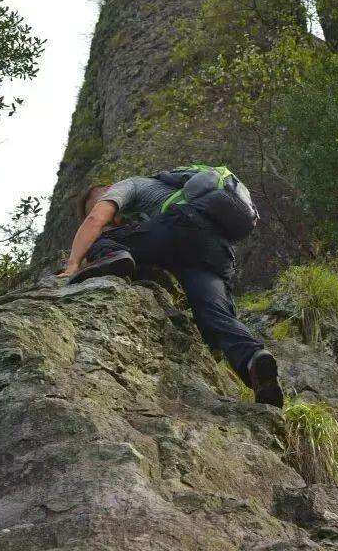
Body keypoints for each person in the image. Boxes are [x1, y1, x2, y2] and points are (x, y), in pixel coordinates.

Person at [58, 175, 283, 408]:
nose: (110, 219)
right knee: (216, 316)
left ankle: (112, 253)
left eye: (99, 201)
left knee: (97, 240)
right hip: (214, 249)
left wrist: (74, 264)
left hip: (181, 225)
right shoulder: (154, 204)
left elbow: (96, 219)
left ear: (108, 189)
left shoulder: (129, 186)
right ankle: (253, 360)